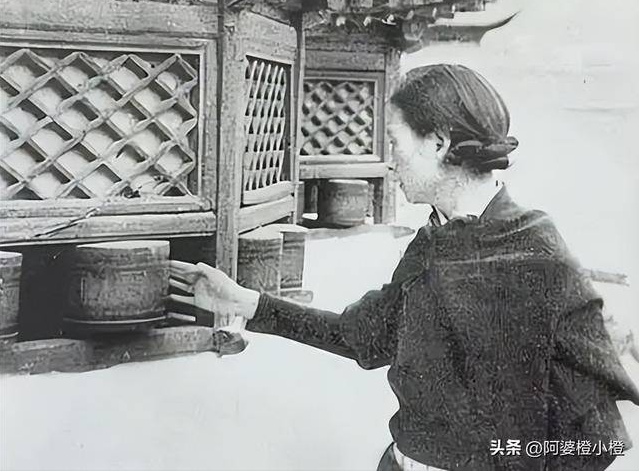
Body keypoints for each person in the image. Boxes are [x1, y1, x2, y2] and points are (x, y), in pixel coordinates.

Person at [169, 64, 639, 471]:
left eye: (395, 141)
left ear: (438, 143)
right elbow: (364, 336)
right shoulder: (432, 241)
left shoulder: (539, 256)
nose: (390, 162)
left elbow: (598, 440)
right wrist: (243, 301)